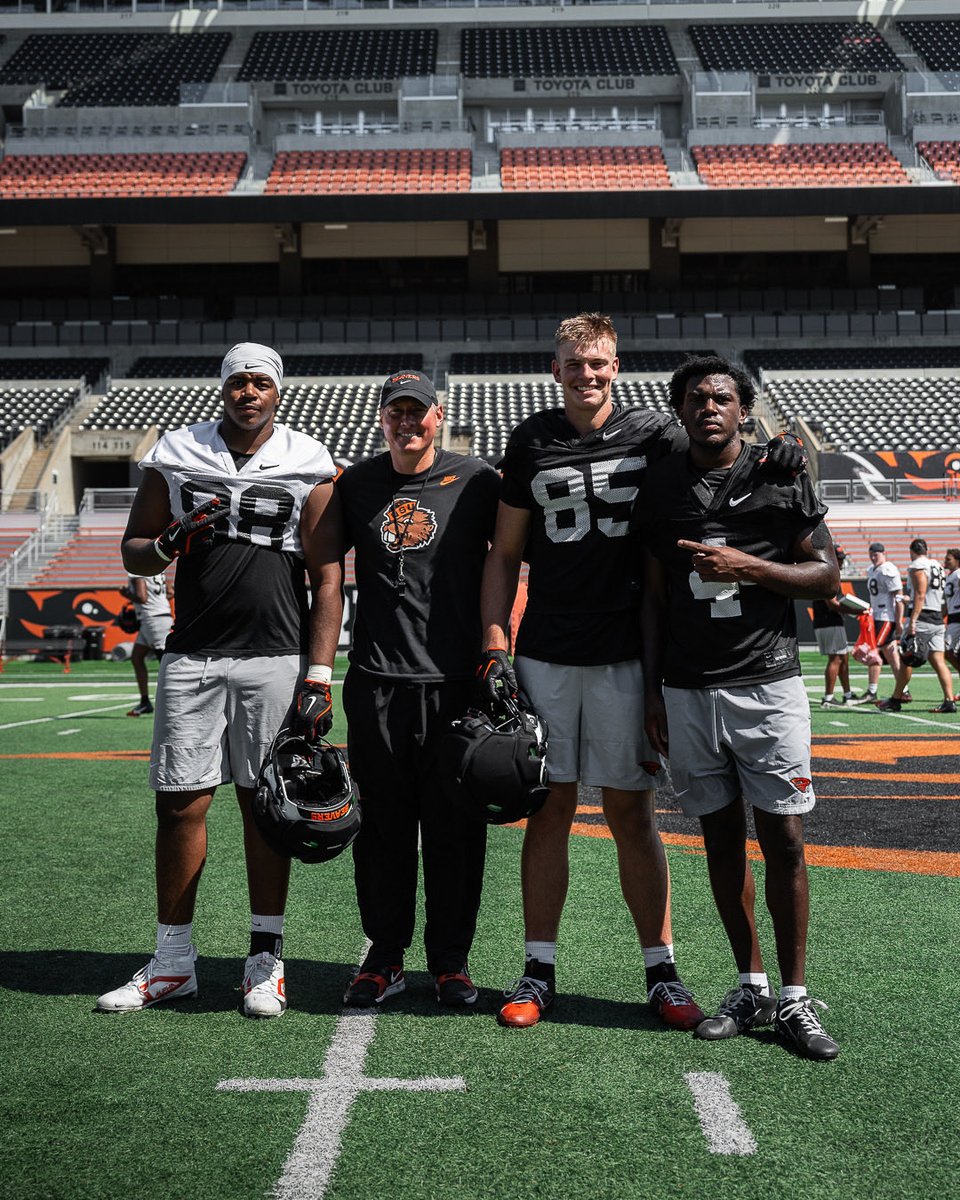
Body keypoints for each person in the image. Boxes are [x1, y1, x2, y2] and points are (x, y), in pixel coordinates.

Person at [478, 314, 805, 1031]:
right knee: (550, 809)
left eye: (597, 362)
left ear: (615, 366)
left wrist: (777, 450)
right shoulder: (531, 439)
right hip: (548, 651)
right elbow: (505, 554)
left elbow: (726, 449)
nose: (586, 374)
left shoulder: (657, 432)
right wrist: (496, 643)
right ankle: (538, 968)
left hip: (627, 650)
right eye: (574, 362)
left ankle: (661, 970)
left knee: (631, 813)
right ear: (554, 368)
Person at [97, 343, 342, 1018]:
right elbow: (133, 548)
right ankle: (173, 960)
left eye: (261, 383)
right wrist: (171, 543)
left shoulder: (307, 458)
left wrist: (319, 672)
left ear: (278, 393)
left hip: (274, 654)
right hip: (194, 652)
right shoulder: (177, 452)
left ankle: (265, 959)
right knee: (179, 803)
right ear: (223, 389)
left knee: (265, 805)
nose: (248, 393)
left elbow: (327, 575)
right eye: (238, 382)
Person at [638, 354, 841, 1061]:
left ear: (744, 409)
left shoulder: (782, 475)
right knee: (720, 840)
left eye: (721, 397)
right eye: (695, 398)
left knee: (783, 839)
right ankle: (749, 984)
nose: (708, 407)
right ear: (680, 410)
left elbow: (825, 577)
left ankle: (793, 997)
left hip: (767, 682)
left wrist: (748, 568)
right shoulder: (661, 486)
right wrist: (650, 690)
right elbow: (655, 596)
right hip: (688, 689)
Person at [333, 369, 500, 1008]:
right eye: (395, 412)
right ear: (382, 419)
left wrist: (496, 650)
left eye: (418, 412)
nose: (408, 423)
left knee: (458, 829)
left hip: (457, 684)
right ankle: (385, 953)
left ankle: (452, 961)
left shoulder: (479, 479)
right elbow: (319, 569)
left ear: (439, 415)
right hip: (378, 683)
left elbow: (511, 555)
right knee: (382, 828)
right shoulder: (356, 484)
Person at [880, 536, 956, 713]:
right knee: (938, 661)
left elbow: (921, 594)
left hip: (922, 618)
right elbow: (925, 594)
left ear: (912, 552)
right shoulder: (936, 564)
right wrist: (911, 600)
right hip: (936, 617)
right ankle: (949, 700)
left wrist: (912, 620)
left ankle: (896, 699)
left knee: (907, 659)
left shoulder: (917, 565)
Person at [855, 542, 905, 705]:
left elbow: (898, 596)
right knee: (891, 654)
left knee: (873, 651)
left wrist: (898, 621)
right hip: (876, 616)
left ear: (883, 553)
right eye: (871, 554)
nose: (873, 557)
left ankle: (872, 691)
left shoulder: (888, 569)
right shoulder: (872, 570)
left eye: (876, 554)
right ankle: (903, 690)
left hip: (885, 617)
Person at [122, 570, 173, 717]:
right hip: (157, 616)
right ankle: (145, 701)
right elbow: (170, 592)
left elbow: (142, 597)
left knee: (164, 661)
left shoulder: (137, 569)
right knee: (137, 658)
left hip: (153, 619)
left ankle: (175, 701)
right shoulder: (158, 568)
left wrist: (126, 595)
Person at [812, 542, 855, 708]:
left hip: (829, 621)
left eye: (842, 559)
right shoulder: (828, 573)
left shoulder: (829, 573)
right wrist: (856, 611)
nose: (842, 562)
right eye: (839, 558)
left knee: (843, 658)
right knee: (836, 658)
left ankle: (847, 694)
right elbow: (833, 604)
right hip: (829, 621)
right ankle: (828, 698)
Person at [942, 548, 960, 682]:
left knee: (946, 650)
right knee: (949, 652)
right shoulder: (950, 576)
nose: (945, 561)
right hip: (953, 616)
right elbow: (947, 602)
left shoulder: (958, 574)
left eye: (949, 559)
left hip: (958, 616)